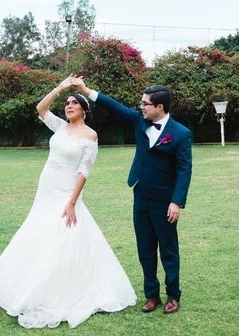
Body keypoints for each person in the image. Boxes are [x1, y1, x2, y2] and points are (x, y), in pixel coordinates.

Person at [0, 75, 136, 329]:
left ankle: (62, 288)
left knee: (63, 233)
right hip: (47, 188)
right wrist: (61, 88)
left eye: (74, 103)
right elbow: (40, 109)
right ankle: (29, 282)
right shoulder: (60, 127)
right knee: (39, 230)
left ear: (84, 110)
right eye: (67, 103)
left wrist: (73, 201)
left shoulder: (90, 136)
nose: (69, 106)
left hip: (67, 192)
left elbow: (84, 171)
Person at [70, 77, 192, 315]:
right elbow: (115, 106)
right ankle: (151, 295)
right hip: (141, 198)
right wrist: (86, 91)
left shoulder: (181, 134)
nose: (141, 107)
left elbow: (184, 170)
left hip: (165, 202)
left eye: (146, 104)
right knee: (145, 249)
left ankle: (173, 296)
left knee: (168, 250)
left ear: (160, 107)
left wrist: (176, 201)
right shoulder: (139, 120)